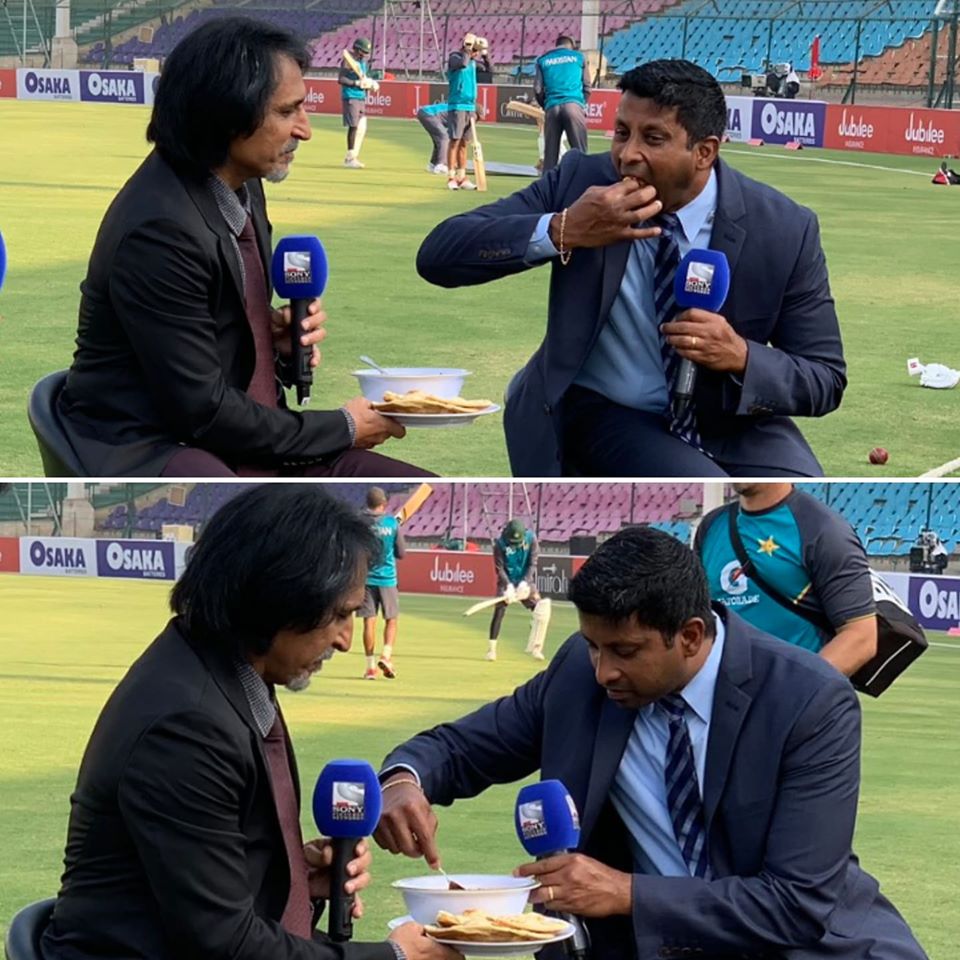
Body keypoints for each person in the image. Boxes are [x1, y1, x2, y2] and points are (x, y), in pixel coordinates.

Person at [373, 525, 929, 960]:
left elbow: (796, 904)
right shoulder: (579, 676)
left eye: (624, 651)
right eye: (592, 646)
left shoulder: (808, 699)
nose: (603, 671)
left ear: (690, 636)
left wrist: (627, 893)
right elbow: (462, 747)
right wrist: (402, 780)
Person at [39, 485, 457, 960]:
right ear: (280, 599)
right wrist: (393, 958)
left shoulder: (220, 676)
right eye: (340, 615)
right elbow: (225, 944)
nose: (345, 640)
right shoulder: (188, 726)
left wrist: (291, 879)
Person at [416, 59, 846, 478]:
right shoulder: (581, 183)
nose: (627, 154)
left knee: (802, 501)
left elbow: (824, 377)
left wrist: (742, 356)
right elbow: (439, 254)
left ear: (704, 152)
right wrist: (565, 229)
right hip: (608, 411)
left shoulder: (785, 228)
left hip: (731, 422)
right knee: (699, 482)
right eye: (622, 132)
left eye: (653, 138)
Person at [57, 18, 428, 478]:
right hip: (160, 446)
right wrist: (344, 427)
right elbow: (204, 413)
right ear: (227, 116)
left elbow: (208, 339)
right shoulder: (160, 233)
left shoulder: (243, 182)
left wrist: (270, 342)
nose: (305, 130)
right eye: (287, 112)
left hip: (236, 439)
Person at [694, 482, 878, 677]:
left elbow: (861, 637)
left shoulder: (823, 529)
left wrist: (794, 689)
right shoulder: (712, 525)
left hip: (793, 689)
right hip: (725, 689)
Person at [485, 518, 550, 662]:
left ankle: (536, 648)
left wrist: (525, 582)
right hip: (506, 581)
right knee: (499, 612)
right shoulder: (500, 544)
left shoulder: (531, 539)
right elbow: (499, 568)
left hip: (525, 581)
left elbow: (532, 563)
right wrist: (508, 585)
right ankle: (491, 650)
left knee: (542, 609)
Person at [359, 486, 406, 680]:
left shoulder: (360, 523)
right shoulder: (392, 523)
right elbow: (401, 553)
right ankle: (386, 656)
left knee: (369, 622)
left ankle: (370, 668)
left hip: (366, 579)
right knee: (391, 619)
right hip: (387, 579)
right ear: (384, 504)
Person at [533, 34, 591, 172]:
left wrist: (546, 105)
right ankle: (582, 183)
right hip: (573, 106)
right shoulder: (579, 57)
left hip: (552, 107)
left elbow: (537, 89)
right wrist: (581, 104)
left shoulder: (543, 60)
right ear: (571, 46)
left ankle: (548, 185)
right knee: (580, 154)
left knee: (550, 158)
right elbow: (587, 86)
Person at [445, 32, 480, 191]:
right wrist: (467, 48)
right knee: (455, 141)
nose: (476, 53)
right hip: (457, 105)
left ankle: (462, 176)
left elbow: (490, 69)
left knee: (465, 143)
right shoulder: (455, 58)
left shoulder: (473, 61)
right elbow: (463, 64)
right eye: (474, 50)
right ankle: (451, 177)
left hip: (470, 106)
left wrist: (485, 54)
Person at [339, 37, 378, 169]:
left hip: (361, 97)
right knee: (354, 126)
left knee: (361, 126)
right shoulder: (348, 61)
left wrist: (369, 85)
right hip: (350, 96)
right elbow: (341, 79)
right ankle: (350, 158)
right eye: (363, 52)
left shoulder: (362, 62)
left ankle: (353, 156)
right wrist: (356, 83)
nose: (365, 55)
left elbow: (363, 79)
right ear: (357, 49)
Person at [415, 100, 450, 174]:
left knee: (439, 140)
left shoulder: (459, 111)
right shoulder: (459, 113)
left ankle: (432, 165)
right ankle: (441, 165)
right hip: (428, 113)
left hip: (425, 112)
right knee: (444, 137)